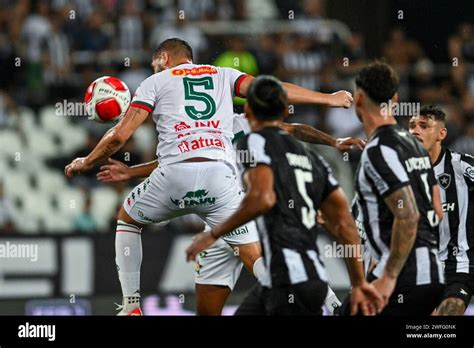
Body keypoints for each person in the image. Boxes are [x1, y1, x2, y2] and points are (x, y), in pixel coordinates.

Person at [64, 38, 353, 316]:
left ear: (163, 59)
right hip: (221, 184)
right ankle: (310, 299)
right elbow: (274, 92)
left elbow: (120, 138)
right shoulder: (225, 81)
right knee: (256, 257)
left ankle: (132, 305)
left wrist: (87, 161)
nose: (155, 71)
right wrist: (327, 98)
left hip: (175, 178)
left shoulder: (155, 82)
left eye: (155, 65)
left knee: (128, 219)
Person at [96, 113, 365, 315]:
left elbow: (293, 129)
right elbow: (171, 162)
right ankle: (325, 304)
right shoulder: (191, 133)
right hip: (215, 221)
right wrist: (131, 172)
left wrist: (333, 141)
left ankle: (332, 306)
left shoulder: (238, 122)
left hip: (244, 211)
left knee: (269, 269)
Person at [185, 75, 382, 315]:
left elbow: (262, 199)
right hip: (302, 274)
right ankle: (331, 302)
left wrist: (216, 232)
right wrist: (359, 282)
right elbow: (345, 225)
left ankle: (332, 305)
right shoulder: (313, 160)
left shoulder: (250, 137)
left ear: (247, 110)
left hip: (279, 268)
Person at [342, 62, 444, 315]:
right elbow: (437, 210)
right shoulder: (415, 144)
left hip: (403, 276)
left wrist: (388, 275)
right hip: (431, 273)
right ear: (395, 99)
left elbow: (409, 215)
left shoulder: (378, 150)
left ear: (359, 99)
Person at [408, 104, 474, 315]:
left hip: (458, 266)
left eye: (424, 126)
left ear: (441, 133)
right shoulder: (400, 173)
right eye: (412, 126)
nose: (415, 131)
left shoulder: (461, 167)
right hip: (418, 269)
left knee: (450, 311)